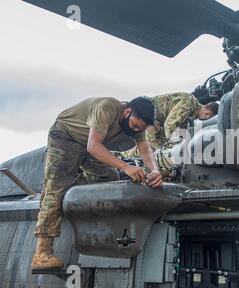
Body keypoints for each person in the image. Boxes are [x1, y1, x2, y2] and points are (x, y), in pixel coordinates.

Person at [32, 96, 163, 270]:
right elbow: (93, 146)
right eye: (135, 126)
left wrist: (155, 170)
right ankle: (42, 252)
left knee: (108, 177)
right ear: (128, 111)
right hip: (66, 137)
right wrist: (126, 167)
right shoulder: (106, 107)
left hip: (87, 144)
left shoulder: (137, 123)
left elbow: (144, 148)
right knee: (55, 191)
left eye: (140, 128)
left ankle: (66, 190)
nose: (136, 131)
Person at [122, 92, 219, 157]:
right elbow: (170, 125)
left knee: (146, 149)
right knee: (162, 154)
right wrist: (175, 150)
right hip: (149, 120)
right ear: (207, 114)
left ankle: (122, 156)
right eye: (208, 119)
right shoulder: (190, 102)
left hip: (156, 125)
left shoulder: (190, 116)